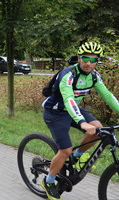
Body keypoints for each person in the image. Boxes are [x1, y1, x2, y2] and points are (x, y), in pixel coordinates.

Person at [41, 42, 119, 200]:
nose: (88, 63)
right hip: (55, 112)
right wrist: (82, 122)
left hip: (73, 110)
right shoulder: (68, 75)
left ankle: (76, 157)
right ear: (79, 58)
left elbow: (108, 96)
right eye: (85, 58)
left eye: (93, 59)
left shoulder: (94, 76)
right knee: (65, 150)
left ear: (98, 61)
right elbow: (69, 99)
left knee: (98, 129)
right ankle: (48, 181)